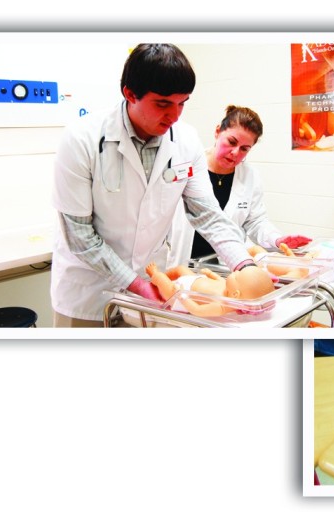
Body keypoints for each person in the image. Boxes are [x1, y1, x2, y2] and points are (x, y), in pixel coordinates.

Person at [50, 44, 256, 327]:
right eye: (163, 104)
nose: (175, 116)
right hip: (88, 292)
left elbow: (207, 215)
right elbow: (80, 236)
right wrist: (135, 283)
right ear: (130, 94)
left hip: (150, 290)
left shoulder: (186, 141)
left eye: (182, 103)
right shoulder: (81, 139)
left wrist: (245, 267)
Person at [167, 105, 310, 269]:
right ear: (218, 131)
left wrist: (277, 239)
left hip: (225, 267)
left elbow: (255, 221)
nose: (235, 152)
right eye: (231, 142)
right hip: (181, 261)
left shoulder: (250, 176)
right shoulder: (187, 168)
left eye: (244, 149)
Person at [144, 262, 274, 317]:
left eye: (237, 275)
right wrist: (211, 274)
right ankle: (165, 277)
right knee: (180, 269)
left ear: (235, 294)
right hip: (194, 280)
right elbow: (218, 280)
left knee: (163, 281)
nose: (235, 272)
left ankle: (155, 275)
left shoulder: (222, 306)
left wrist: (181, 295)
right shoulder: (229, 288)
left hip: (180, 296)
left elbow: (198, 310)